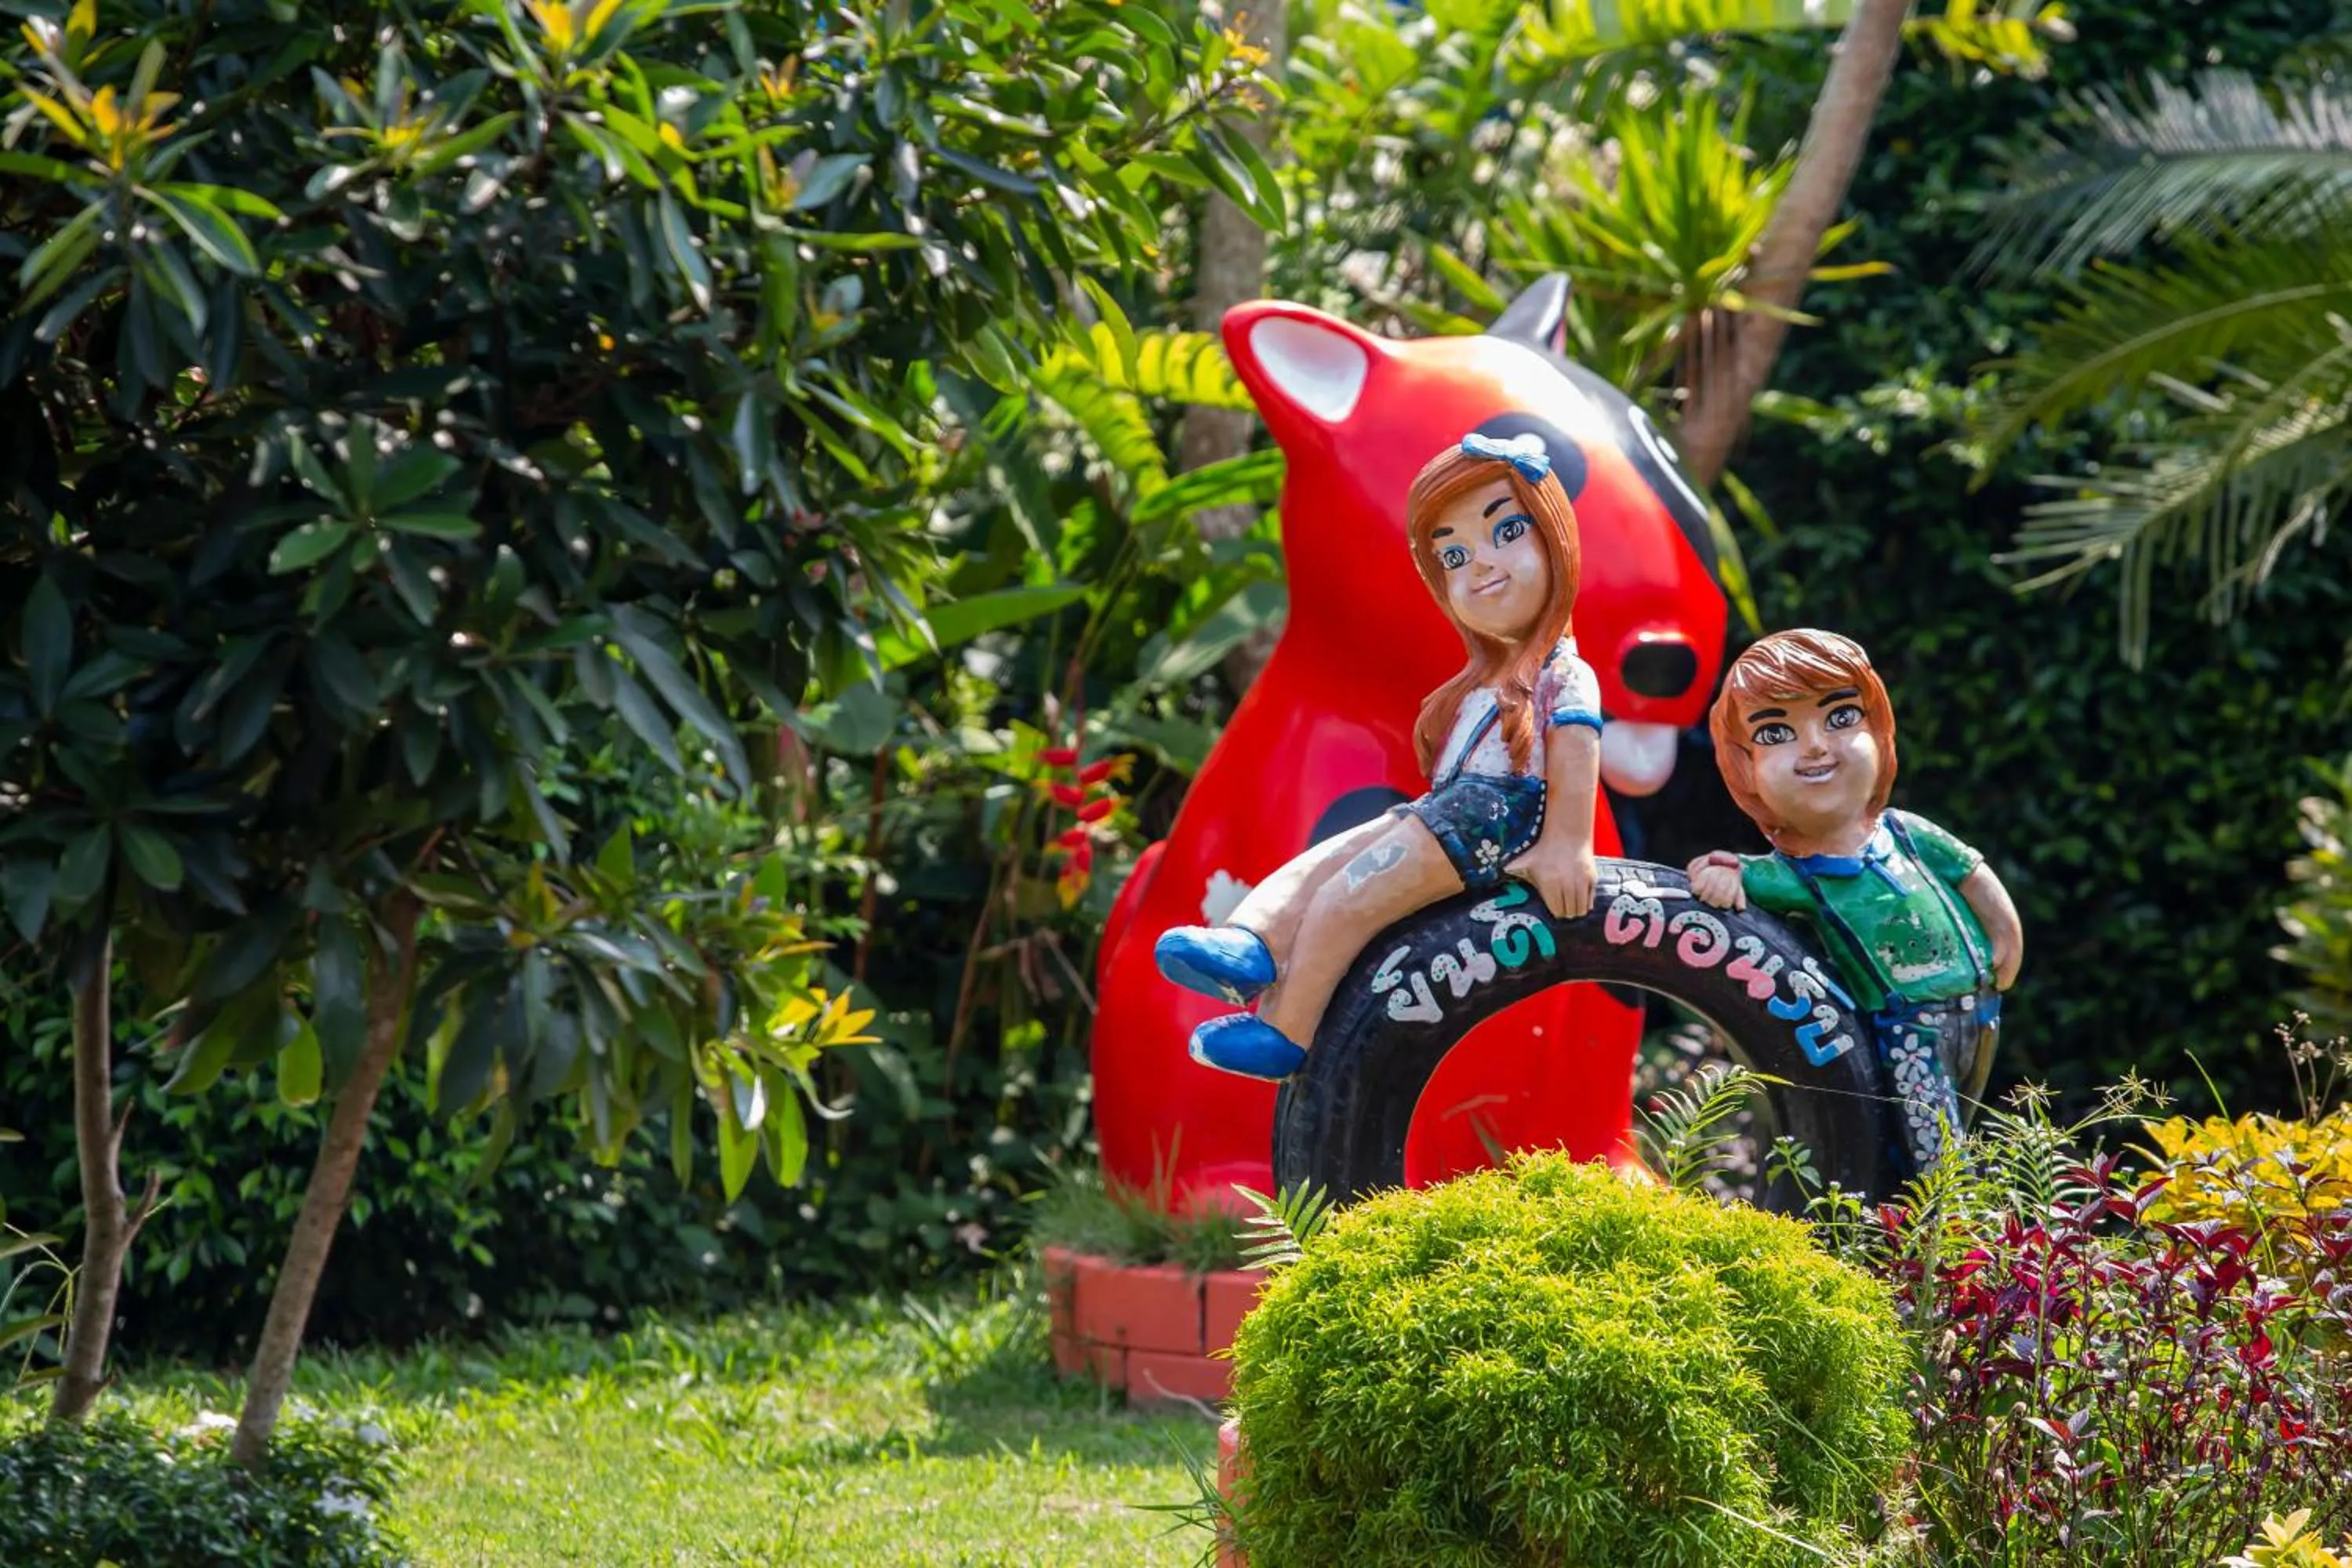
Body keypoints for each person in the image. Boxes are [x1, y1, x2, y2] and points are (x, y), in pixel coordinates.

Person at [1155, 431, 1604, 1080]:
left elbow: (1577, 755)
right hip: (1447, 812)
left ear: (1555, 539)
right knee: (1323, 863)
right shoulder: (1484, 682)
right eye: (1453, 555)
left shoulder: (1564, 676)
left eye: (1505, 533)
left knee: (1348, 897)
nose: (1479, 565)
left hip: (1493, 825)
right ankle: (1251, 942)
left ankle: (1284, 1034)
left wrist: (1567, 847)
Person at [1685, 629, 2024, 1174]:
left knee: (1962, 1119)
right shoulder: (1800, 875)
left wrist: (2006, 939)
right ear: (1745, 768)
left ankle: (1939, 1230)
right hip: (1905, 1027)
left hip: (1980, 1007)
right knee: (1932, 1147)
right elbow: (1736, 873)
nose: (1815, 745)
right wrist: (1721, 871)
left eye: (1840, 719)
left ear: (1879, 729)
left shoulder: (1908, 834)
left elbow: (1973, 876)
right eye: (1778, 732)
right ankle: (1945, 1236)